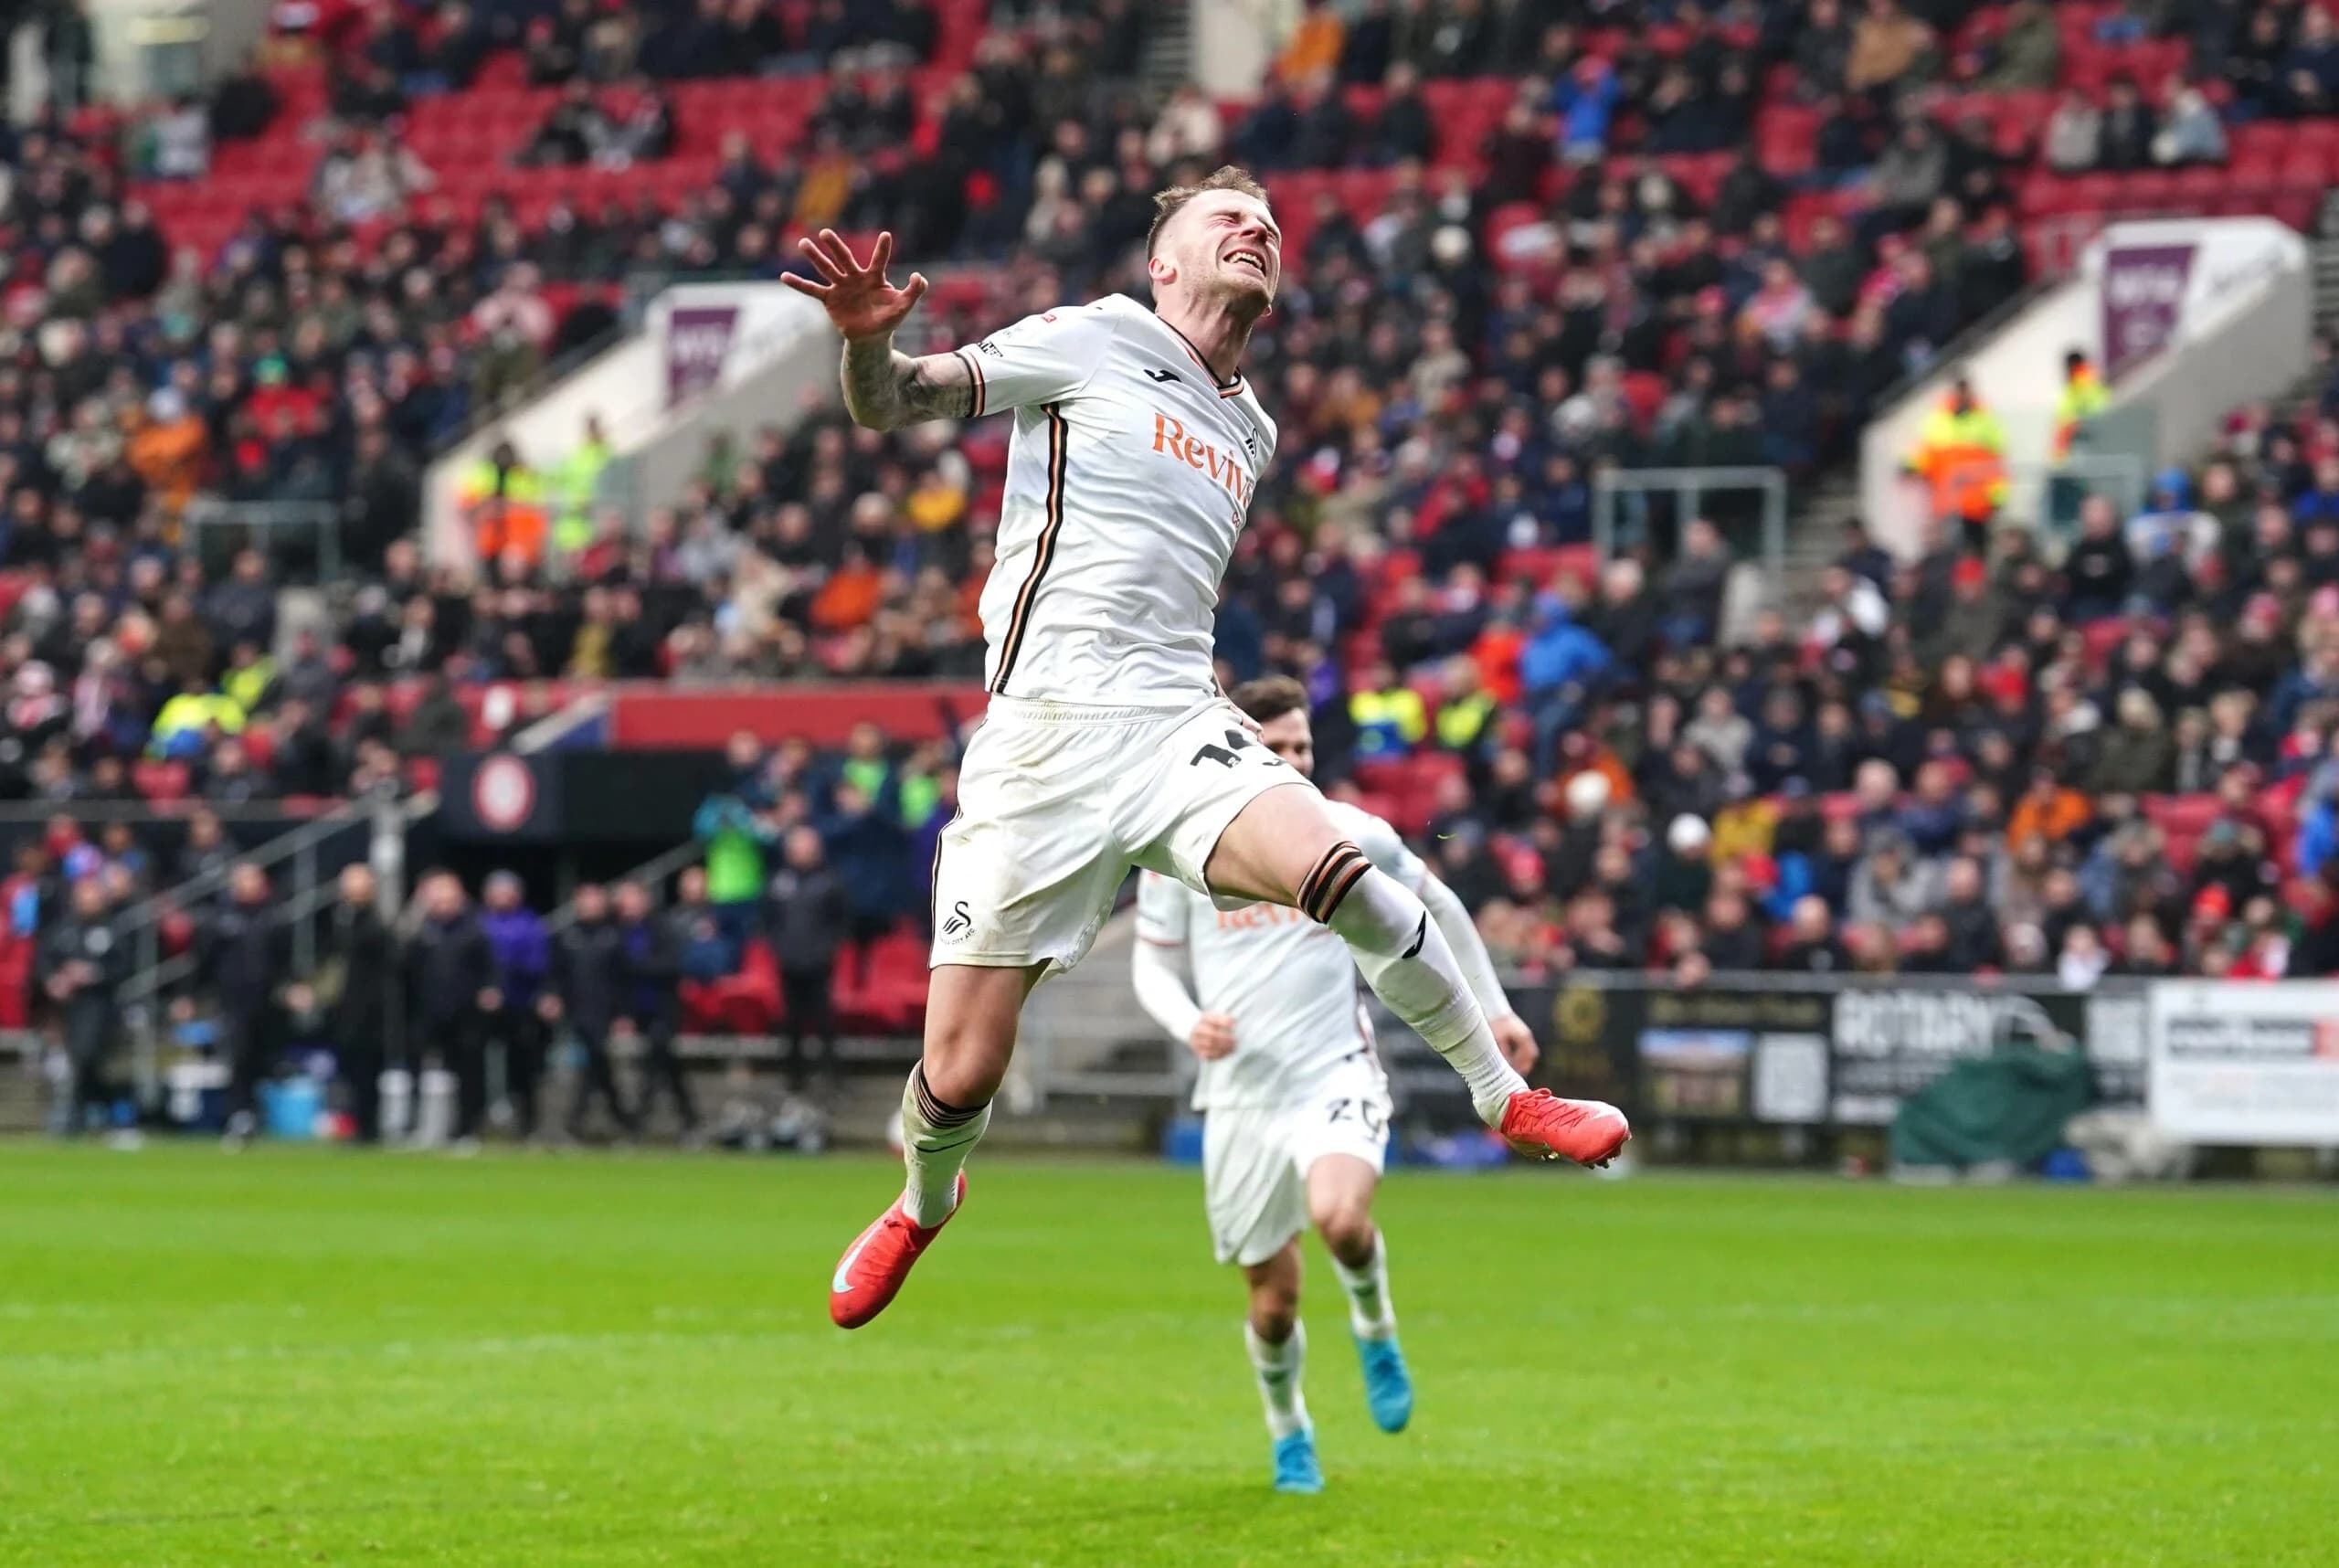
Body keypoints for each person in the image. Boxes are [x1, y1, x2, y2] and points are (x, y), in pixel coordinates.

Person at [785, 170, 1625, 1334]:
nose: (1258, 231)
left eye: (1271, 227)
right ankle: (924, 1205)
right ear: (1163, 263)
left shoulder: (1253, 424)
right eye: (1227, 220)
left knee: (1338, 868)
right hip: (1038, 744)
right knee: (963, 1072)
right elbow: (894, 404)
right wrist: (869, 345)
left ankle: (1504, 1095)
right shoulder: (1095, 337)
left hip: (1175, 717)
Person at [1130, 677, 1537, 1493]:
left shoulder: (1345, 834)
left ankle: (1374, 1325)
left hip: (1332, 1070)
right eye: (1274, 747)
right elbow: (1151, 964)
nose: (1291, 761)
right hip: (1240, 1095)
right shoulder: (1179, 852)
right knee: (1273, 1303)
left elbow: (1441, 905)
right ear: (1241, 746)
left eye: (1302, 748)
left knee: (1341, 1216)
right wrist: (1187, 1024)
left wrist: (1492, 1010)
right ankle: (1291, 1432)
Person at [406, 872, 493, 1150]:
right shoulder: (422, 929)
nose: (441, 903)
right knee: (418, 1070)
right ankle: (419, 1128)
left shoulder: (474, 929)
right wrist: (416, 911)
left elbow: (490, 968)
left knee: (467, 1072)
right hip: (428, 1010)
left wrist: (489, 991)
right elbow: (401, 960)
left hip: (465, 1013)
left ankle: (465, 1130)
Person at [200, 863, 285, 1149]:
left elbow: (283, 959)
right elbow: (204, 960)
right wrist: (191, 995)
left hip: (266, 1002)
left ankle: (254, 1114)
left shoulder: (273, 917)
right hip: (232, 1001)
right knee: (237, 1056)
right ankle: (237, 1114)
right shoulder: (221, 919)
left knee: (261, 1059)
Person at [546, 883, 638, 1140]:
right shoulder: (567, 936)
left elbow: (624, 979)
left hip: (605, 1011)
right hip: (577, 1011)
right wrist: (552, 997)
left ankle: (577, 1120)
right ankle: (624, 1121)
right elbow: (556, 974)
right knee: (597, 1064)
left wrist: (623, 1013)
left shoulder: (614, 936)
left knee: (595, 1062)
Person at [315, 863, 398, 1143]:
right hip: (344, 1011)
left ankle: (369, 1128)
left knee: (367, 1071)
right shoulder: (339, 920)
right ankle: (354, 1122)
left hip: (369, 1013)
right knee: (349, 1070)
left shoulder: (374, 924)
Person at [41, 877, 127, 1135]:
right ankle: (92, 1115)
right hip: (67, 1006)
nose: (88, 902)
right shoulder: (62, 930)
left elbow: (123, 966)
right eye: (83, 897)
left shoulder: (112, 930)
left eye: (93, 897)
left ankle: (82, 1116)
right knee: (75, 1061)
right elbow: (44, 961)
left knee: (86, 1057)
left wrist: (93, 973)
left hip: (98, 1005)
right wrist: (53, 980)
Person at [767, 826, 848, 1093]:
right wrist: (780, 947)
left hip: (819, 963)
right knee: (791, 1023)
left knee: (824, 1021)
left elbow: (841, 921)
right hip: (789, 963)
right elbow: (768, 920)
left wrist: (826, 949)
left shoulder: (830, 882)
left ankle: (833, 1077)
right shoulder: (778, 882)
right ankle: (793, 1079)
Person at [616, 880, 696, 1138]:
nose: (625, 905)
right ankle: (690, 1118)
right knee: (668, 1064)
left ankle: (638, 1120)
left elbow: (671, 965)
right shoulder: (618, 932)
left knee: (656, 1058)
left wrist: (637, 966)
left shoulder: (662, 928)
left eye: (631, 899)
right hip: (636, 1009)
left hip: (662, 1006)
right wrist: (623, 1013)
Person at [479, 870, 552, 1139]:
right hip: (482, 1007)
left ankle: (527, 1124)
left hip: (520, 1005)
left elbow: (537, 965)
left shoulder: (529, 924)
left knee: (522, 1066)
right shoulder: (480, 923)